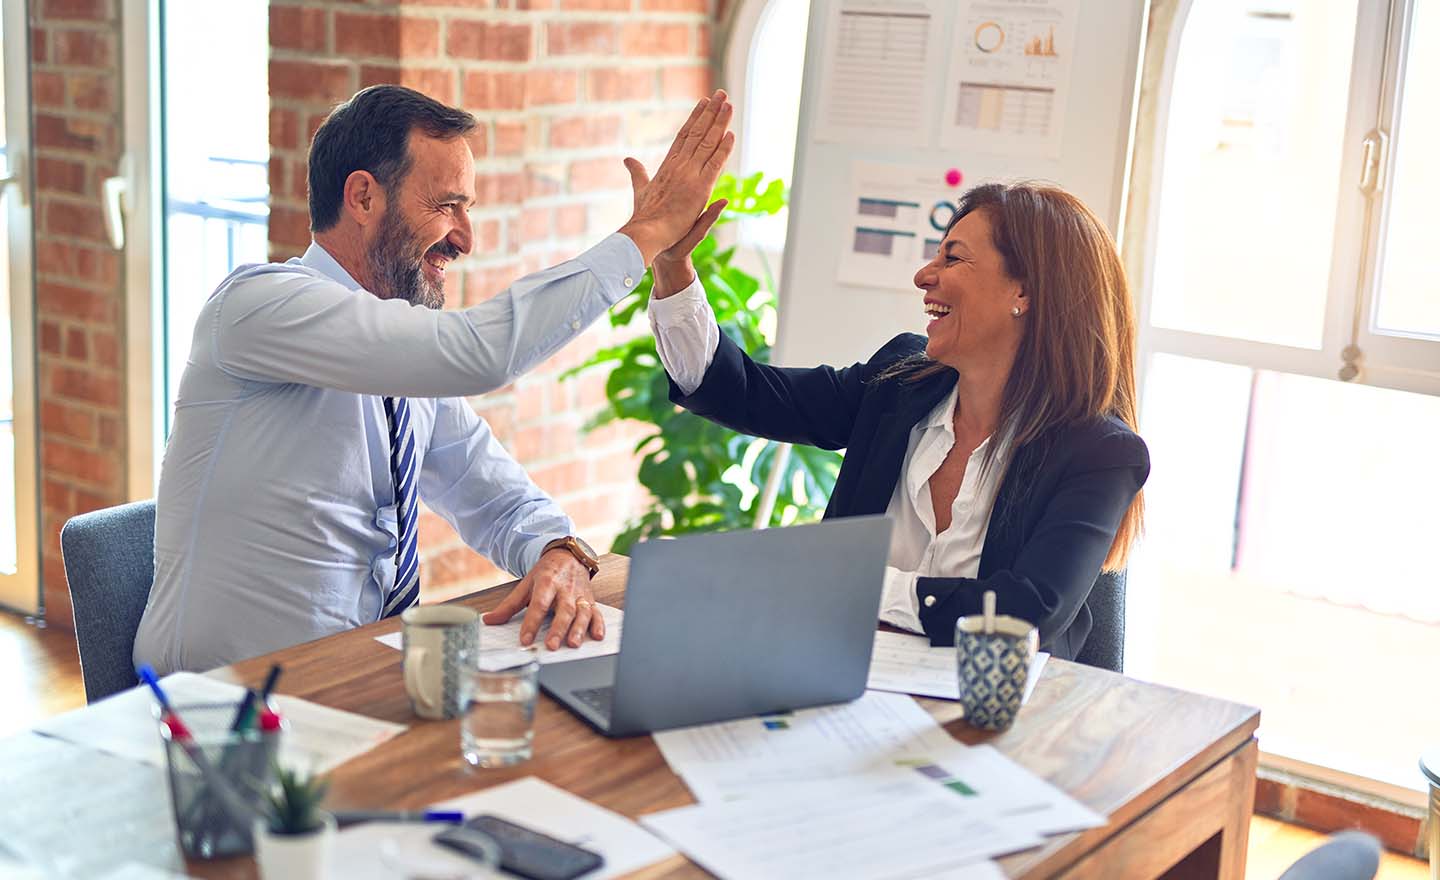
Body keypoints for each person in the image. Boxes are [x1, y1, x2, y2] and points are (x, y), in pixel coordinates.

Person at [134, 85, 734, 674]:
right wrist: (647, 233)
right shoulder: (259, 306)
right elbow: (480, 354)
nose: (465, 238)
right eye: (447, 205)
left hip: (356, 684)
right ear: (363, 198)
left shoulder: (403, 362)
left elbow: (495, 496)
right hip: (219, 710)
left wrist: (560, 551)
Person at [647, 182, 1148, 660]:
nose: (924, 275)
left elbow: (1024, 615)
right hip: (839, 681)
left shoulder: (1099, 453)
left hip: (995, 720)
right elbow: (744, 393)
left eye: (952, 257)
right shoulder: (900, 383)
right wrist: (673, 268)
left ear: (1025, 292)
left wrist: (852, 583)